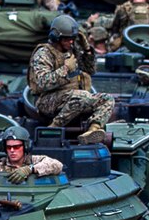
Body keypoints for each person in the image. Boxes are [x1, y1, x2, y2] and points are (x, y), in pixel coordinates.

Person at [28, 14, 114, 144]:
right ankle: (54, 127)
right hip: (48, 101)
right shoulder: (44, 54)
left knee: (107, 99)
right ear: (56, 38)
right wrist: (66, 69)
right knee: (82, 96)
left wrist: (87, 51)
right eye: (67, 39)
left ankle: (93, 130)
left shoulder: (71, 51)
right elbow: (42, 83)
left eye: (73, 39)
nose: (71, 42)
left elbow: (90, 70)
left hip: (74, 98)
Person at [0, 125, 64, 183]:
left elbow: (58, 165)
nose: (12, 150)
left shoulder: (35, 160)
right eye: (9, 147)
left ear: (26, 147)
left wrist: (30, 169)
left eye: (16, 147)